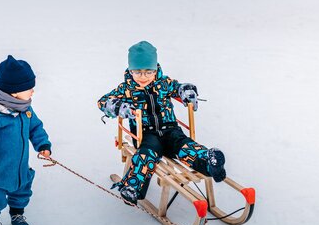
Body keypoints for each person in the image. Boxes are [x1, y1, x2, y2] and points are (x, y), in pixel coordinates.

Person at [97, 41, 226, 205]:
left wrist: (186, 91)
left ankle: (210, 163)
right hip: (146, 135)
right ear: (130, 70)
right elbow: (103, 102)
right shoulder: (126, 89)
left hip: (170, 130)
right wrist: (118, 106)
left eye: (148, 71)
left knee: (185, 146)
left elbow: (178, 88)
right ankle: (133, 187)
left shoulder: (164, 83)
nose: (143, 77)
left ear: (156, 68)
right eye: (137, 72)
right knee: (146, 155)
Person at [0, 55, 52, 225]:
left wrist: (42, 144)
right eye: (29, 88)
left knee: (22, 189)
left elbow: (35, 127)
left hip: (20, 166)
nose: (32, 91)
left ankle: (17, 214)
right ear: (14, 92)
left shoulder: (25, 108)